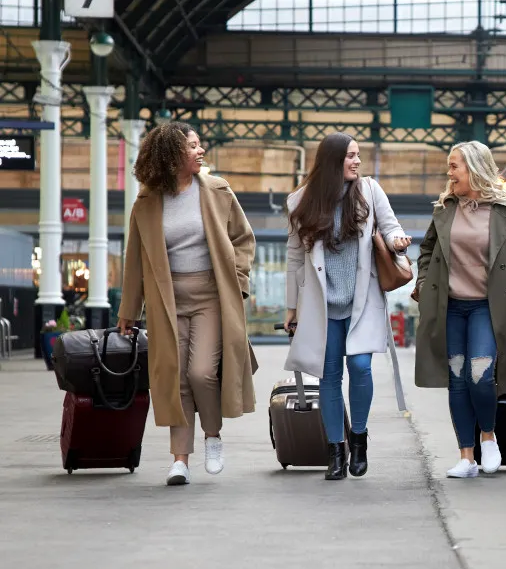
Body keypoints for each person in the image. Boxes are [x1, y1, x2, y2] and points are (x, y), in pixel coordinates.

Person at [118, 122, 258, 486]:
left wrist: (238, 282)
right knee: (175, 378)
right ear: (171, 155)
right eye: (192, 146)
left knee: (201, 373)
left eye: (199, 145)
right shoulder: (147, 202)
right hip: (166, 300)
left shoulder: (217, 190)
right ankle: (179, 459)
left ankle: (212, 436)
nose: (200, 151)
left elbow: (243, 239)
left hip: (212, 295)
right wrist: (128, 311)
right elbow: (134, 259)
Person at [284, 132, 411, 481]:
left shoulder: (370, 191)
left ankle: (359, 439)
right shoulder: (300, 201)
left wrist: (398, 240)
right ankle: (335, 452)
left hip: (362, 300)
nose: (357, 161)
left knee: (361, 367)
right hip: (321, 305)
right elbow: (295, 258)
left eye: (358, 155)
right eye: (350, 156)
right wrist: (291, 309)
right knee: (328, 376)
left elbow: (390, 226)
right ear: (331, 162)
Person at [413, 141, 506, 479]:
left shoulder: (505, 213)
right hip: (450, 307)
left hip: (487, 307)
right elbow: (426, 250)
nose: (449, 172)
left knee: (480, 377)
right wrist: (424, 283)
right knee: (457, 380)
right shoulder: (445, 209)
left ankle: (489, 436)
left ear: (474, 169)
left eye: (455, 166)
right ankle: (466, 458)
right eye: (449, 166)